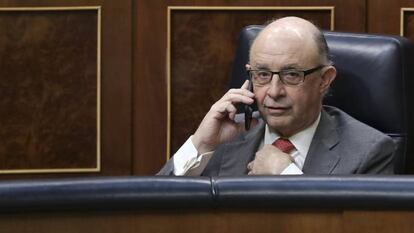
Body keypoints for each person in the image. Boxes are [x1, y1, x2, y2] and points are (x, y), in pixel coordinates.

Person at [158, 16, 395, 176]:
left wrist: (288, 178)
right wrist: (200, 144)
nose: (273, 92)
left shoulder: (369, 152)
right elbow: (155, 212)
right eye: (262, 74)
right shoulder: (223, 141)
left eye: (291, 74)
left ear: (324, 80)